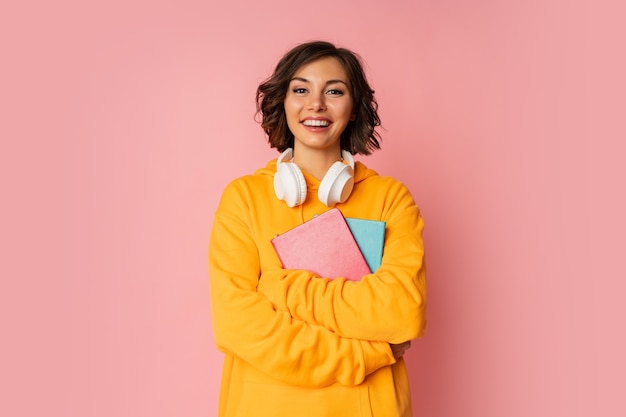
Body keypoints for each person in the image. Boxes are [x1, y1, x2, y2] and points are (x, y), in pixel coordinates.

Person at [208, 40, 427, 417]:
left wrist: (283, 287)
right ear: (283, 102)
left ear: (354, 107)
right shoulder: (243, 198)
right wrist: (365, 352)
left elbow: (401, 312)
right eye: (301, 89)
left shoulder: (390, 199)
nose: (316, 105)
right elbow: (238, 325)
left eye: (334, 91)